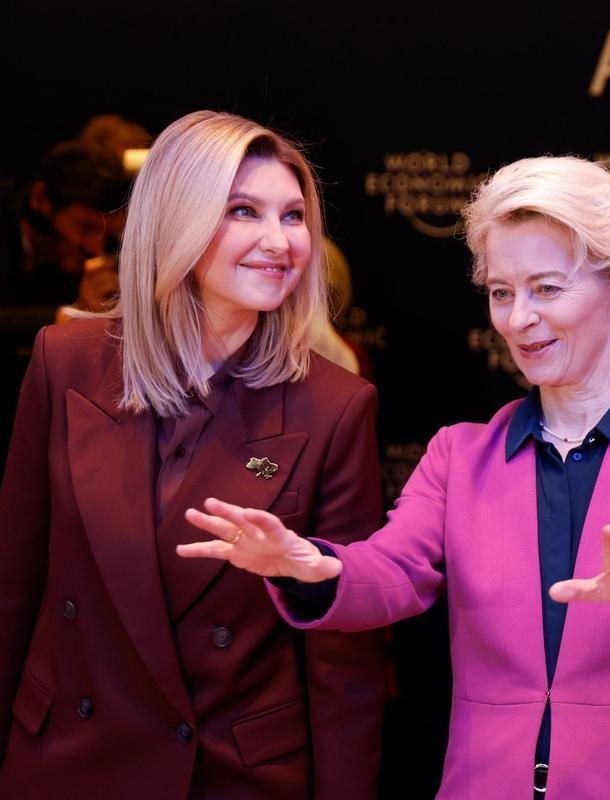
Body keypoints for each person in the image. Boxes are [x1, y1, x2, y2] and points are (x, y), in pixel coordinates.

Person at [180, 155, 610, 798]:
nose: (517, 318)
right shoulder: (459, 455)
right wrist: (312, 565)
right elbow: (391, 572)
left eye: (547, 288)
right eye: (502, 292)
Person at [0, 111, 386, 799]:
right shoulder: (65, 363)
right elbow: (13, 588)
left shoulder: (336, 406)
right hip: (66, 760)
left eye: (293, 216)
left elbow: (342, 661)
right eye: (244, 211)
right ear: (175, 219)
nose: (279, 242)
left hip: (225, 777)